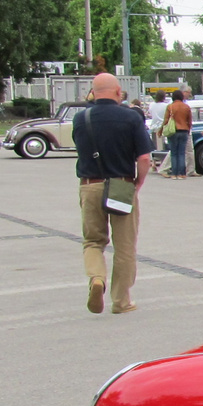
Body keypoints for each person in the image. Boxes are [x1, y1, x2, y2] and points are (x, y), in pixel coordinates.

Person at [72, 72, 152, 315]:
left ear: (93, 93)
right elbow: (145, 158)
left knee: (93, 241)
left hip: (90, 183)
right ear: (119, 92)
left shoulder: (80, 118)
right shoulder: (130, 118)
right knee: (125, 246)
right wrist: (137, 183)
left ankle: (97, 277)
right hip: (121, 184)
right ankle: (121, 300)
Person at [165, 88, 192, 178]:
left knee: (174, 153)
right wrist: (188, 130)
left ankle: (174, 174)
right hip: (184, 130)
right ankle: (182, 173)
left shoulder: (170, 107)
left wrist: (162, 130)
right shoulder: (186, 107)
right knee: (181, 153)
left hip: (173, 131)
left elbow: (166, 120)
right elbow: (190, 121)